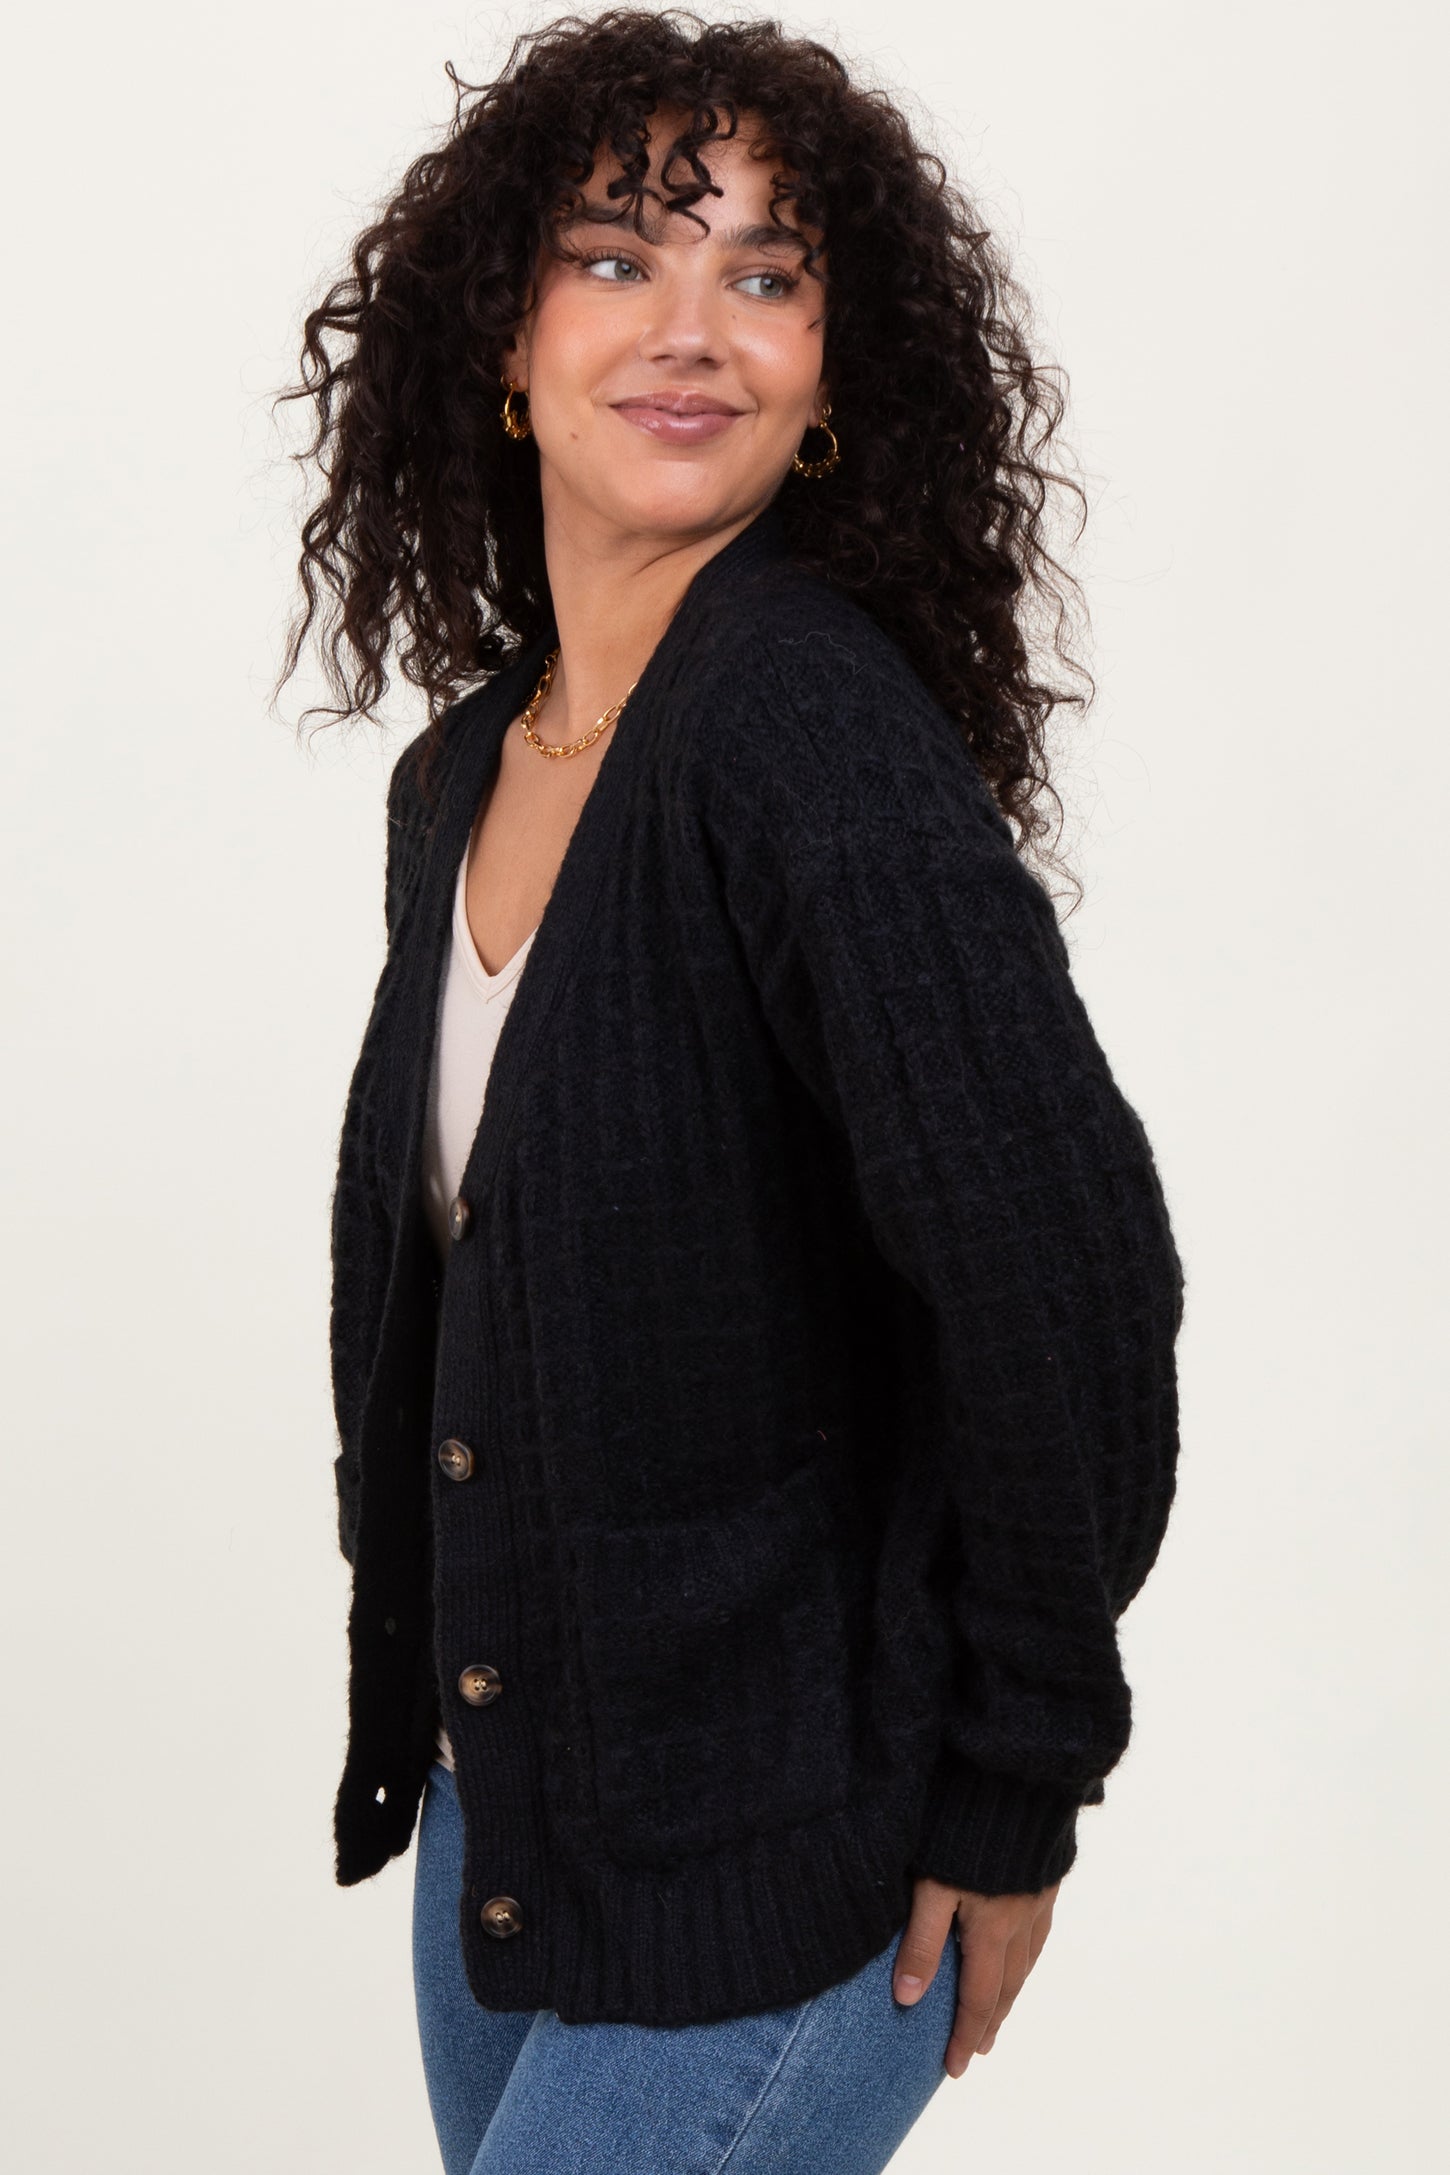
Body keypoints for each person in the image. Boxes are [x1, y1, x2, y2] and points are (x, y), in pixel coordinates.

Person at [275, 10, 1186, 2172]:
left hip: (790, 1862)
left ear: (829, 371)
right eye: (617, 256)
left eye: (766, 274)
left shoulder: (799, 729)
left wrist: (1013, 1777)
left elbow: (1066, 1285)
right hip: (521, 1826)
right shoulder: (467, 770)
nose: (692, 327)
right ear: (504, 341)